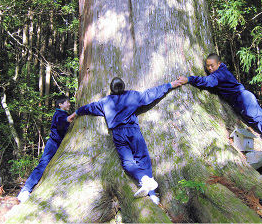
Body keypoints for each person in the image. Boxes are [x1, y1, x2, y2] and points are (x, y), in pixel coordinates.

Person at [67, 77, 181, 205]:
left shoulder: (105, 102)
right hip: (133, 131)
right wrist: (170, 85)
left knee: (127, 162)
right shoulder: (132, 95)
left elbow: (89, 107)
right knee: (143, 159)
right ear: (123, 87)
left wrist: (75, 113)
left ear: (111, 89)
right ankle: (152, 194)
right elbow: (150, 94)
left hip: (118, 133)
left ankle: (143, 179)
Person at [178, 53, 262, 153]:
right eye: (208, 66)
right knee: (258, 120)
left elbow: (206, 81)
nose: (210, 68)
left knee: (260, 119)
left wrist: (188, 79)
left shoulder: (219, 74)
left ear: (219, 64)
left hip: (243, 99)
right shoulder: (222, 71)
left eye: (212, 65)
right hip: (243, 99)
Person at [17, 96, 72, 203]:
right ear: (60, 105)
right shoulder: (60, 114)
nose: (69, 104)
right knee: (43, 165)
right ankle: (25, 191)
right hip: (53, 144)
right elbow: (61, 126)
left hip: (58, 144)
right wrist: (68, 119)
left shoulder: (62, 114)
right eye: (67, 103)